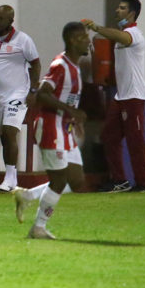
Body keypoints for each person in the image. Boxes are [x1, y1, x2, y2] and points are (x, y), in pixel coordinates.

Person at [12, 22, 91, 239]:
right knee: (59, 181)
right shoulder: (61, 65)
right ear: (73, 40)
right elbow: (43, 94)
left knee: (76, 180)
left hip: (65, 128)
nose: (88, 41)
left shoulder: (74, 67)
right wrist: (70, 111)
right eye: (84, 37)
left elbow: (68, 99)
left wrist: (74, 119)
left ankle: (28, 195)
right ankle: (38, 228)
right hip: (50, 127)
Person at [83, 0, 145, 192]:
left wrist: (96, 27)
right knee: (108, 136)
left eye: (122, 8)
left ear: (131, 13)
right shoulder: (122, 35)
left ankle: (143, 184)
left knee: (134, 141)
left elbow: (122, 37)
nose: (117, 11)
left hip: (134, 97)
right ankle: (119, 180)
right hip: (121, 96)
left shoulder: (134, 34)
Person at [0, 5, 41, 193]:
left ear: (11, 20)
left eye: (1, 18)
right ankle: (11, 178)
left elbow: (36, 65)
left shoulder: (23, 40)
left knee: (10, 131)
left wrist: (33, 90)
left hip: (17, 94)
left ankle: (10, 179)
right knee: (4, 137)